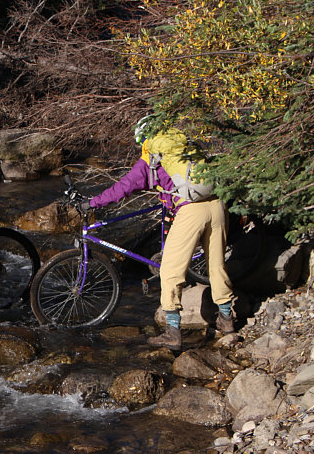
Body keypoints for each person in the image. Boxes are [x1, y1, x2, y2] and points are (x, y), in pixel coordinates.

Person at [83, 119, 235, 351]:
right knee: (216, 265)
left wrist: (92, 203)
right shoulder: (185, 147)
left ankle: (173, 332)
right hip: (216, 205)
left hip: (191, 211)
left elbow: (123, 188)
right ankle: (226, 320)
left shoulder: (151, 159)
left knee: (170, 271)